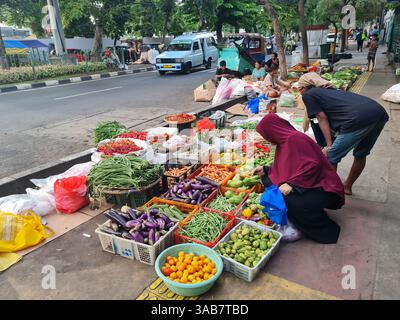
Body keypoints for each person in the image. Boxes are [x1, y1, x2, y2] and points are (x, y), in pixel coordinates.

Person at [253, 114, 345, 244]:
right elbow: (289, 167)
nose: (266, 139)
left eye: (266, 135)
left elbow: (314, 165)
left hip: (325, 188)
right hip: (311, 184)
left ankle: (322, 229)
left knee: (287, 199)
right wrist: (266, 170)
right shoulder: (283, 142)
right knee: (268, 180)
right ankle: (306, 212)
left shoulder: (294, 139)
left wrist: (292, 184)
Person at [297, 73, 389, 195]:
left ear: (304, 87)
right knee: (361, 153)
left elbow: (321, 117)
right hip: (378, 112)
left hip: (358, 118)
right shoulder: (330, 91)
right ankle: (347, 187)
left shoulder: (309, 94)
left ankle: (330, 193)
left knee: (331, 156)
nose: (300, 92)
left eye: (299, 89)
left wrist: (329, 145)